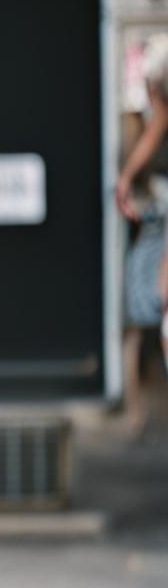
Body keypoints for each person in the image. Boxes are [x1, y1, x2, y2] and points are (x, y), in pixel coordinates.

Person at [114, 32, 168, 439]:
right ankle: (136, 408)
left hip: (158, 220)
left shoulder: (157, 116)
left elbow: (153, 132)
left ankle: (135, 411)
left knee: (142, 318)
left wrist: (126, 178)